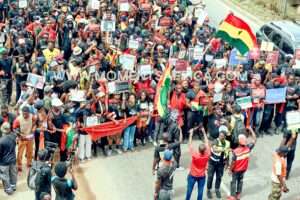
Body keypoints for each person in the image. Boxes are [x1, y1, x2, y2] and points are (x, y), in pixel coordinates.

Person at [228, 127, 256, 200]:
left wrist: (230, 170)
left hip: (236, 170)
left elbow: (233, 163)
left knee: (233, 182)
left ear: (238, 142)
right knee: (240, 181)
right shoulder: (248, 148)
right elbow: (255, 139)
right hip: (244, 169)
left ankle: (232, 196)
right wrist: (251, 130)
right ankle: (238, 194)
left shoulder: (236, 152)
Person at [185, 125, 210, 200]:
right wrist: (204, 131)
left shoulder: (195, 155)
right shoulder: (207, 154)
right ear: (204, 150)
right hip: (202, 176)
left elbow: (189, 144)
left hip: (193, 175)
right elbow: (207, 142)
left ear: (198, 150)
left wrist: (191, 134)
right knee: (200, 191)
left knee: (189, 190)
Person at [207, 126, 230, 199]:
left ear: (225, 137)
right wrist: (223, 149)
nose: (220, 137)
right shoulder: (215, 141)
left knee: (219, 177)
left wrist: (227, 163)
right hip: (212, 162)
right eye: (219, 135)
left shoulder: (227, 143)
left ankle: (217, 189)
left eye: (222, 136)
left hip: (221, 163)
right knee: (210, 177)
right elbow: (215, 149)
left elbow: (227, 153)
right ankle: (208, 190)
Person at [13, 106, 37, 172]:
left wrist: (33, 128)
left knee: (30, 151)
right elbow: (14, 129)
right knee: (20, 153)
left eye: (26, 113)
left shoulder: (32, 117)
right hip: (22, 137)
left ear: (29, 113)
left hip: (29, 136)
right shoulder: (18, 119)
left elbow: (35, 123)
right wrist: (20, 135)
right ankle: (19, 165)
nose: (25, 115)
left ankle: (29, 163)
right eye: (23, 113)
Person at [0, 122, 17, 195]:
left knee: (5, 176)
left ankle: (8, 189)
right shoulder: (13, 136)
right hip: (12, 159)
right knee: (13, 174)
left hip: (4, 162)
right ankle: (13, 186)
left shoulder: (1, 141)